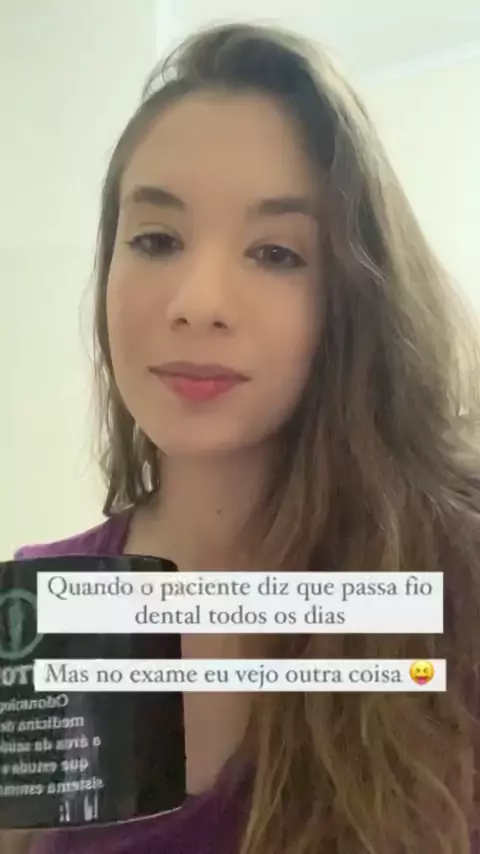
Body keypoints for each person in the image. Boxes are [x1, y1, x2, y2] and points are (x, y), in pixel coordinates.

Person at [15, 21, 480, 854]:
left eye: (275, 253)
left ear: (354, 297)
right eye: (156, 240)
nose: (198, 302)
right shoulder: (43, 608)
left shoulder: (458, 583)